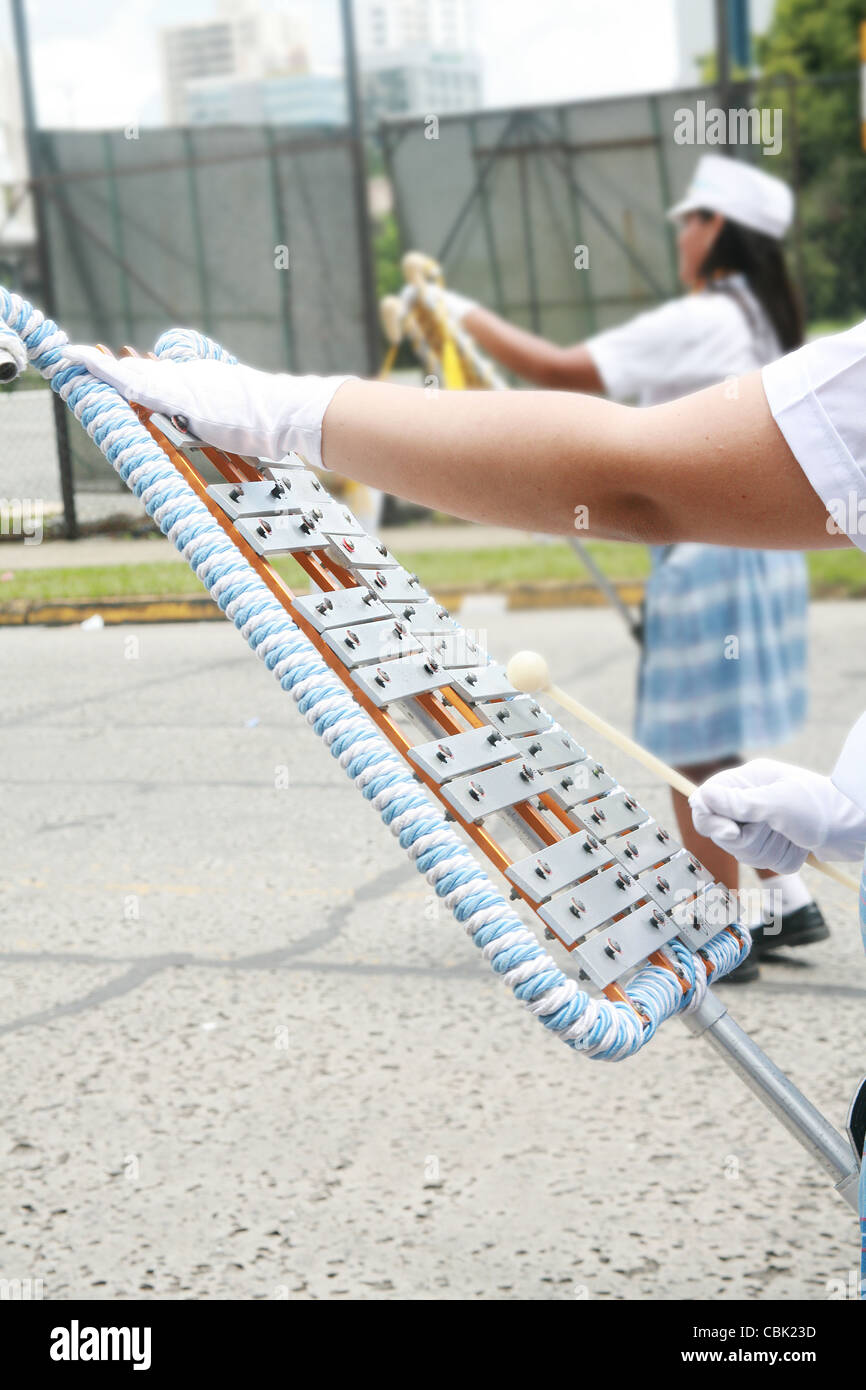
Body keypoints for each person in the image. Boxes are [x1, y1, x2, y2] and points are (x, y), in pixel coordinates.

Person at [429, 154, 819, 980]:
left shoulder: (708, 317)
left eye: (689, 220)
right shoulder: (761, 316)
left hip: (712, 561)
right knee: (725, 735)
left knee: (687, 750)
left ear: (717, 230)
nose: (679, 234)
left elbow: (562, 371)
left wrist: (455, 312)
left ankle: (723, 930)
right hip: (760, 556)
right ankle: (785, 901)